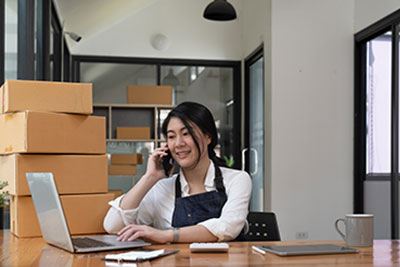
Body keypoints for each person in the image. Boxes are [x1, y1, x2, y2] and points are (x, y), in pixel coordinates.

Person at [103, 101, 252, 243]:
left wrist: (166, 235)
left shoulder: (237, 179)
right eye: (171, 136)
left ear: (208, 137)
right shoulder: (162, 189)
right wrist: (149, 177)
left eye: (186, 133)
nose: (179, 143)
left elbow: (228, 227)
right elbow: (112, 226)